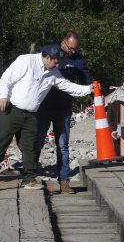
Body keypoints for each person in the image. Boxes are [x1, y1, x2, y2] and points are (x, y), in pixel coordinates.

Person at [0, 45, 92, 192]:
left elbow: (68, 86)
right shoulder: (26, 61)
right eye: (56, 62)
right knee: (2, 141)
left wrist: (89, 89)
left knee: (29, 147)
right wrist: (3, 95)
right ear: (46, 57)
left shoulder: (54, 72)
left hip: (31, 114)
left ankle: (29, 178)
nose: (58, 65)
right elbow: (7, 77)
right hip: (11, 109)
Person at [36, 31, 91, 194]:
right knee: (38, 141)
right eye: (70, 48)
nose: (72, 51)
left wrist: (95, 92)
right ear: (63, 43)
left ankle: (64, 181)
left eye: (75, 49)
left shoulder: (78, 60)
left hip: (64, 108)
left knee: (63, 146)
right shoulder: (49, 51)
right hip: (44, 106)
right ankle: (30, 175)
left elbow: (86, 80)